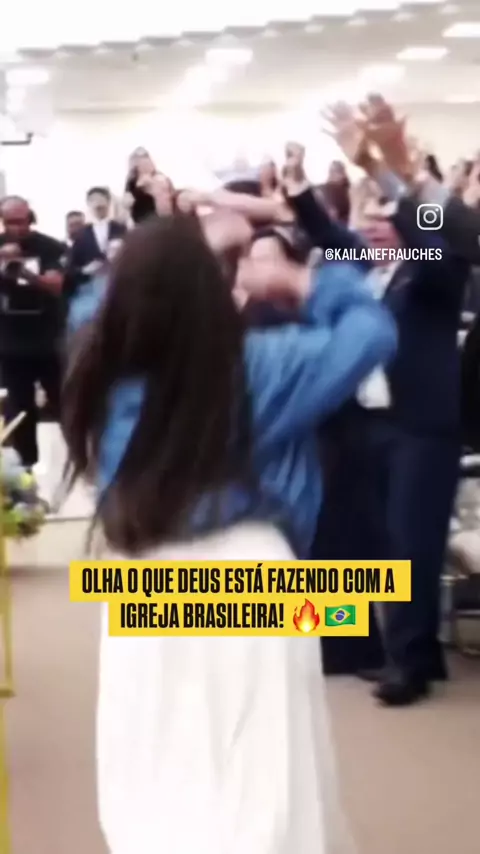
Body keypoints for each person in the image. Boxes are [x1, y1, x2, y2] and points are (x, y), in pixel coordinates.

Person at [62, 212, 396, 854]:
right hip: (248, 570)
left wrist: (178, 253)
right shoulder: (260, 364)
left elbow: (91, 304)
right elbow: (370, 329)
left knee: (162, 761)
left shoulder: (101, 361)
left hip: (141, 577)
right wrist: (304, 280)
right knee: (257, 771)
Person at [0, 196, 65, 468]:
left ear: (31, 218)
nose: (17, 227)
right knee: (19, 408)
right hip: (11, 343)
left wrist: (24, 273)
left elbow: (56, 285)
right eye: (10, 222)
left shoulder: (49, 247)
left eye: (22, 221)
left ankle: (81, 460)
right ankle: (25, 467)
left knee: (63, 401)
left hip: (47, 340)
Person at [67, 187, 126, 299]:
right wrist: (85, 270)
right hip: (90, 288)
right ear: (88, 205)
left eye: (101, 200)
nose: (98, 204)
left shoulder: (120, 228)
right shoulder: (81, 234)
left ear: (108, 202)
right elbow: (72, 267)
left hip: (118, 285)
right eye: (93, 200)